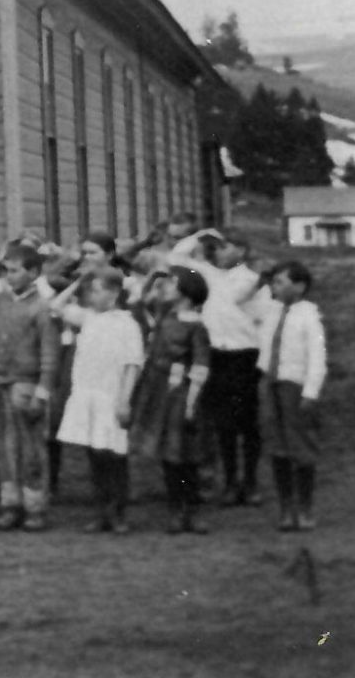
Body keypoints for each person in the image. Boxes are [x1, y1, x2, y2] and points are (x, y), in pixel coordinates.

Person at [0, 241, 59, 532]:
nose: (9, 276)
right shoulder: (0, 300)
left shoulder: (42, 307)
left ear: (33, 272)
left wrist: (43, 391)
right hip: (2, 383)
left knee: (32, 450)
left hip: (27, 385)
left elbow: (49, 353)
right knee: (5, 448)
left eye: (15, 271)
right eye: (6, 270)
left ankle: (35, 508)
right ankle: (10, 505)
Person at [174, 228, 265, 507]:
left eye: (226, 247)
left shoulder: (254, 281)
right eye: (217, 247)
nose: (219, 252)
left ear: (241, 250)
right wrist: (202, 235)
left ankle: (250, 482)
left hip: (245, 356)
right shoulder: (207, 275)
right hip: (216, 355)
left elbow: (264, 320)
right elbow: (176, 257)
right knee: (222, 422)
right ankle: (230, 480)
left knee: (248, 421)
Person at [50, 266, 144, 534]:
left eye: (97, 289)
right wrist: (78, 281)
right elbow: (56, 306)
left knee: (114, 454)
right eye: (90, 290)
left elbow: (132, 364)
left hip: (111, 396)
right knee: (95, 455)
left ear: (114, 293)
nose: (91, 295)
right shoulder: (88, 318)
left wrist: (124, 400)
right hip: (87, 394)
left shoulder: (127, 324)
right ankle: (102, 512)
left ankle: (119, 513)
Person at [128, 264, 212, 535]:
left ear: (186, 292)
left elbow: (201, 366)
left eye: (172, 284)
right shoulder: (165, 313)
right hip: (158, 389)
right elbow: (142, 299)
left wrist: (191, 401)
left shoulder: (196, 326)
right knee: (168, 453)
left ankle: (193, 511)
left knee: (186, 453)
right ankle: (176, 510)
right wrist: (155, 275)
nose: (166, 288)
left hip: (181, 393)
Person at [259, 261, 326, 532]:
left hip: (295, 386)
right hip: (271, 383)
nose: (275, 287)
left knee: (300, 446)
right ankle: (286, 508)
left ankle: (305, 507)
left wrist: (310, 392)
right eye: (273, 282)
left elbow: (317, 358)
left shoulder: (309, 316)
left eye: (281, 282)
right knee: (278, 446)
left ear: (299, 286)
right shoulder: (272, 311)